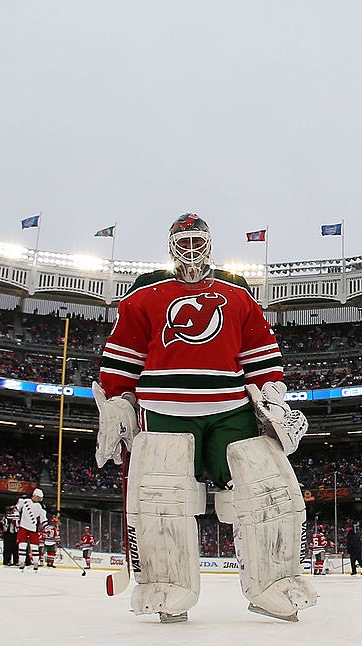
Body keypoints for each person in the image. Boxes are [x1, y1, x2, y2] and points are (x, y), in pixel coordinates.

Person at [95, 213, 314, 623]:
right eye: (184, 240)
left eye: (198, 240)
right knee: (162, 500)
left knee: (265, 489)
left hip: (230, 406)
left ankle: (271, 583)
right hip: (164, 409)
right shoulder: (145, 294)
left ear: (209, 243)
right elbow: (123, 355)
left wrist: (272, 396)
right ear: (170, 245)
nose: (191, 250)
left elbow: (259, 353)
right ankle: (166, 584)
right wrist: (118, 401)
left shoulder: (237, 293)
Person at [16, 489, 47, 571]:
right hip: (23, 526)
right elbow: (16, 509)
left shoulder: (41, 506)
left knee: (34, 546)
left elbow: (43, 518)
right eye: (39, 497)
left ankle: (36, 563)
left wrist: (46, 526)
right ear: (35, 495)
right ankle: (21, 562)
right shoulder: (24, 501)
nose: (40, 499)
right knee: (22, 545)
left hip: (33, 528)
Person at [1, 502, 19, 567]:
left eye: (11, 510)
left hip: (15, 534)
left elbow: (18, 525)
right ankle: (6, 561)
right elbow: (2, 525)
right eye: (8, 510)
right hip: (7, 534)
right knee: (7, 548)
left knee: (16, 548)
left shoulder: (17, 517)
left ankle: (16, 561)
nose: (9, 512)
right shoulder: (5, 518)